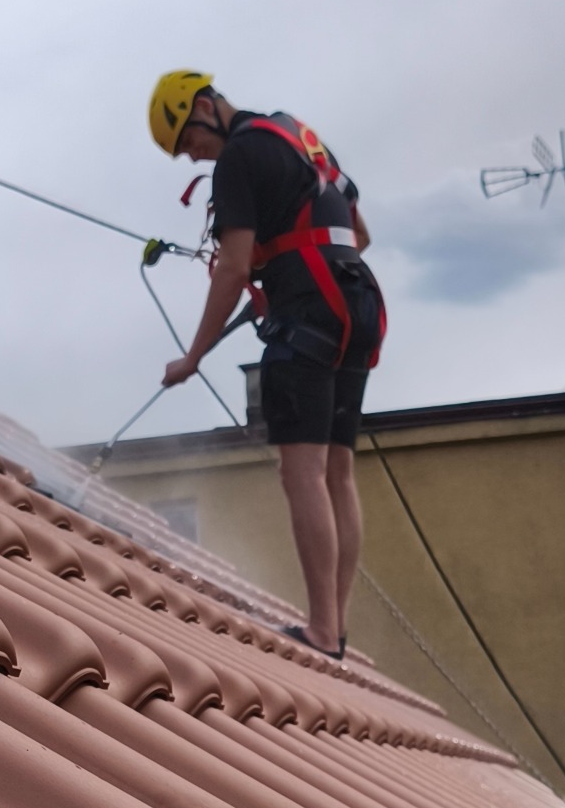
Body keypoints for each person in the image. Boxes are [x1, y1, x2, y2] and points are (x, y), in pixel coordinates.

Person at [148, 70, 386, 659]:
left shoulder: (237, 161)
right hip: (358, 301)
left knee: (300, 471)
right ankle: (338, 625)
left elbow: (230, 270)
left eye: (186, 140)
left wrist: (193, 356)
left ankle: (323, 632)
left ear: (204, 106)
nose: (190, 157)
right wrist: (286, 256)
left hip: (310, 311)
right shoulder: (296, 135)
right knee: (337, 470)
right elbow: (358, 232)